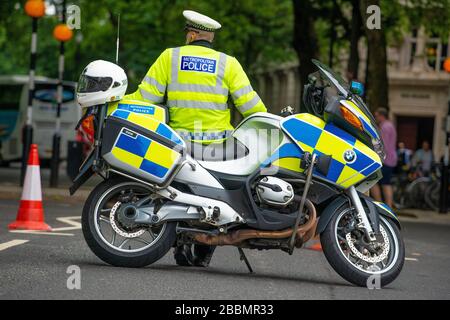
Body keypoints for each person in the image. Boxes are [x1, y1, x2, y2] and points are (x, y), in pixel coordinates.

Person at [125, 10, 267, 267]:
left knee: (178, 192)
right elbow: (252, 109)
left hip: (180, 145)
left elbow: (144, 98)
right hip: (219, 148)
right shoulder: (228, 63)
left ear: (191, 35)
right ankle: (203, 249)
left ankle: (180, 240)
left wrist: (116, 103)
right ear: (210, 38)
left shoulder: (170, 57)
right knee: (218, 197)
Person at [371, 108, 397, 209]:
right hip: (390, 159)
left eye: (376, 115)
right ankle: (387, 206)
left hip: (385, 159)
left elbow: (383, 144)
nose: (376, 118)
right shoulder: (390, 125)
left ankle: (380, 205)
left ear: (382, 115)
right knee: (386, 182)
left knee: (373, 180)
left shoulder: (385, 127)